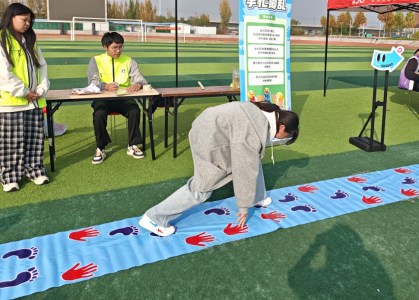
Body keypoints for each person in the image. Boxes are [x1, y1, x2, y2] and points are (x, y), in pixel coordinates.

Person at [138, 101, 300, 236]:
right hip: (209, 138)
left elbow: (249, 159)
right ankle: (154, 218)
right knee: (202, 188)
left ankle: (257, 197)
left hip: (209, 126)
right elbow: (243, 168)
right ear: (281, 127)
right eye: (288, 135)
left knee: (251, 158)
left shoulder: (264, 113)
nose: (285, 138)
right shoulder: (254, 131)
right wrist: (244, 207)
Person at [0, 3, 50, 192]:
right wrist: (24, 92)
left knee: (35, 140)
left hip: (33, 101)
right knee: (10, 142)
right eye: (24, 19)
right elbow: (2, 74)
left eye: (30, 20)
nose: (28, 23)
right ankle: (9, 177)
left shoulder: (30, 41)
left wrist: (42, 88)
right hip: (10, 102)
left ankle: (35, 171)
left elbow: (42, 66)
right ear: (11, 17)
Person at [88, 32, 148, 164]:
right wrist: (105, 86)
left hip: (123, 98)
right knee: (99, 113)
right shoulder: (95, 60)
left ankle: (133, 145)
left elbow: (141, 79)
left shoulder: (129, 61)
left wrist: (138, 85)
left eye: (120, 47)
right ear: (105, 47)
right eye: (114, 47)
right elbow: (92, 83)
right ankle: (100, 148)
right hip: (103, 98)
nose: (118, 50)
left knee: (134, 110)